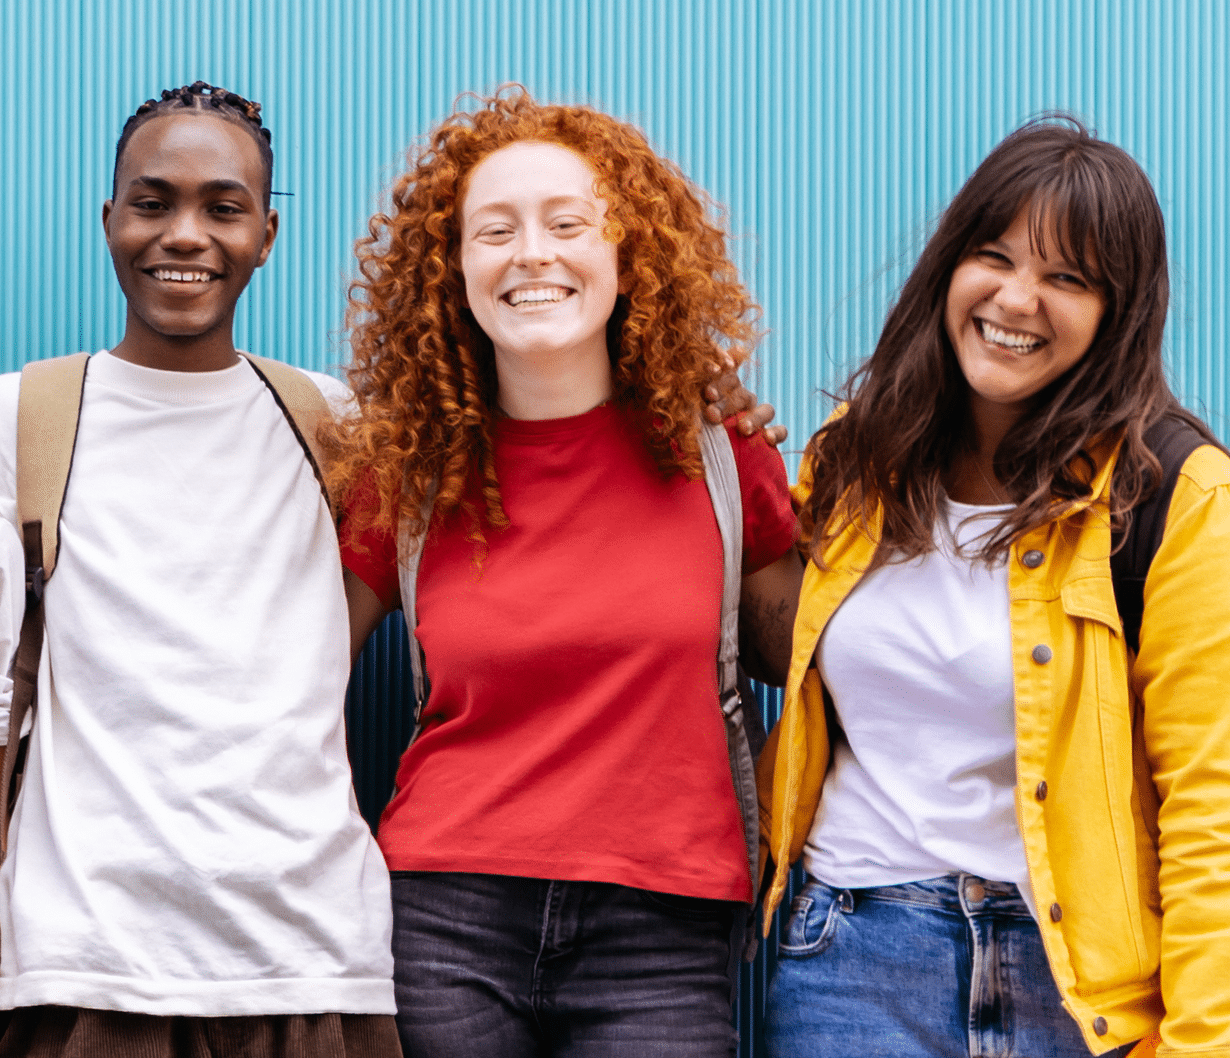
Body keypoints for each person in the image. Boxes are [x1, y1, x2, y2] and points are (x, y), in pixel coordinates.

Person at [330, 88, 804, 1058]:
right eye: (493, 230)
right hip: (443, 913)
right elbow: (289, 679)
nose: (531, 254)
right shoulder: (408, 472)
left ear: (626, 254)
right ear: (452, 268)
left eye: (566, 223)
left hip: (663, 927)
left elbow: (823, 659)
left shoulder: (720, 452)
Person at [758, 118, 1230, 1057]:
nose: (1018, 299)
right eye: (995, 256)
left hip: (1073, 989)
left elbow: (1211, 807)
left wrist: (1202, 1041)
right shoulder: (855, 462)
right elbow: (774, 631)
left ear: (1118, 313)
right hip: (849, 960)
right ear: (950, 268)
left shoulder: (1177, 497)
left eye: (1069, 277)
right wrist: (721, 451)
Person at [0, 83, 401, 1057]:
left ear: (266, 232)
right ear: (110, 220)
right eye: (153, 202)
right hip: (85, 966)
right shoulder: (24, 416)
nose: (185, 233)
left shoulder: (338, 428)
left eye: (222, 207)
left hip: (313, 961)